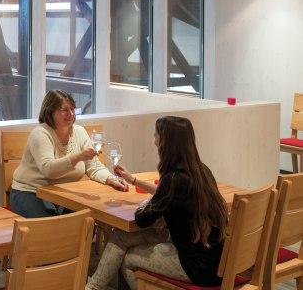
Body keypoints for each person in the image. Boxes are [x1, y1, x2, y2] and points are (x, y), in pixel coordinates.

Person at [86, 116, 229, 289]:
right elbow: (167, 194)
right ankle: (93, 287)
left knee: (128, 258)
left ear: (166, 142)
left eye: (156, 135)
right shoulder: (201, 170)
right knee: (119, 236)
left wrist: (145, 203)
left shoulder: (173, 180)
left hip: (195, 266)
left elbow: (142, 219)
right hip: (212, 257)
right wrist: (133, 180)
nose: (153, 139)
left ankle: (94, 287)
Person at [10, 90, 127, 218]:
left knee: (88, 221)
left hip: (64, 194)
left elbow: (93, 166)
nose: (70, 114)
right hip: (31, 191)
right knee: (52, 229)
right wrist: (77, 157)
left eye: (72, 109)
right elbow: (48, 170)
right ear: (50, 111)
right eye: (64, 110)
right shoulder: (41, 133)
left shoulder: (79, 132)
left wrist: (110, 179)